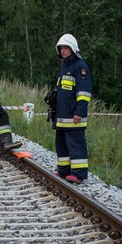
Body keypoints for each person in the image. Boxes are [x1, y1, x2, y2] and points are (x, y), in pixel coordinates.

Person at [49, 33, 92, 184]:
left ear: (73, 49)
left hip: (73, 117)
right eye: (61, 48)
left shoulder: (80, 67)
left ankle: (78, 174)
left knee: (76, 146)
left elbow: (84, 93)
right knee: (61, 145)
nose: (62, 50)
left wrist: (79, 112)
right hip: (62, 116)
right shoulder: (65, 66)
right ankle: (63, 171)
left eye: (65, 48)